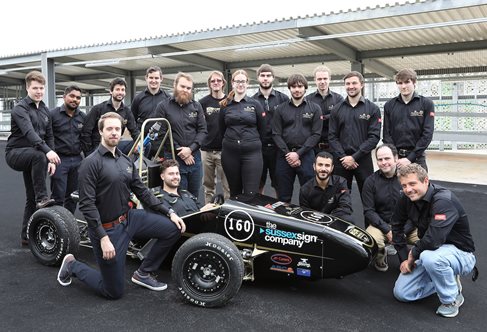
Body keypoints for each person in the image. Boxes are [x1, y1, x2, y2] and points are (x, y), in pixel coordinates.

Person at [56, 112, 185, 299]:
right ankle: (72, 265)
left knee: (173, 228)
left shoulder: (125, 160)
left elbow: (142, 191)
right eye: (109, 129)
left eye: (117, 129)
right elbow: (87, 205)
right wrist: (103, 238)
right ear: (101, 132)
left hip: (129, 219)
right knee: (113, 292)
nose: (114, 132)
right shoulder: (90, 163)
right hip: (107, 229)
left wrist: (169, 212)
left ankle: (143, 273)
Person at [391, 164, 476, 318]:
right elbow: (396, 225)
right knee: (402, 293)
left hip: (460, 253)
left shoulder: (443, 200)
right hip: (431, 251)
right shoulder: (406, 199)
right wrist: (404, 258)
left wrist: (413, 255)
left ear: (425, 181)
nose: (408, 189)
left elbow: (433, 240)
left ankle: (451, 299)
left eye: (412, 184)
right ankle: (445, 280)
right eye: (404, 185)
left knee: (430, 258)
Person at [5, 71, 60, 246]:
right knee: (38, 156)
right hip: (15, 153)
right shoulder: (20, 109)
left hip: (33, 155)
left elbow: (49, 136)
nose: (38, 91)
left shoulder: (44, 110)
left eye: (41, 88)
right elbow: (29, 133)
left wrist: (51, 157)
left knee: (30, 195)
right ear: (27, 88)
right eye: (35, 88)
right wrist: (47, 153)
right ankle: (42, 198)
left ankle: (26, 235)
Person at [362, 144, 419, 272]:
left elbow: (416, 210)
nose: (383, 163)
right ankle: (380, 258)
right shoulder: (370, 182)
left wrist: (402, 232)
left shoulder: (407, 180)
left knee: (427, 239)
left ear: (395, 158)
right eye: (380, 159)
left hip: (407, 226)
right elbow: (369, 211)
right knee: (371, 239)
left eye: (387, 158)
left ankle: (416, 261)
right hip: (381, 225)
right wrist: (388, 231)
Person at [153, 72, 207, 197]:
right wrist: (181, 152)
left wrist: (190, 149)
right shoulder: (163, 106)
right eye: (182, 86)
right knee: (176, 195)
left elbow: (203, 130)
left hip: (195, 158)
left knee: (194, 196)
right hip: (172, 158)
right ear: (175, 85)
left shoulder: (196, 106)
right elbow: (161, 134)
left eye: (188, 88)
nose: (185, 90)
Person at [328, 71, 381, 196]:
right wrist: (344, 157)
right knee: (339, 198)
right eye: (348, 83)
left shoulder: (373, 109)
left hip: (363, 160)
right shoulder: (337, 109)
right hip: (341, 161)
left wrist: (354, 157)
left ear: (362, 84)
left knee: (369, 198)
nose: (351, 86)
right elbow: (332, 136)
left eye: (354, 83)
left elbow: (374, 137)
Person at [272, 73, 322, 203]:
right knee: (283, 196)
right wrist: (289, 154)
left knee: (309, 195)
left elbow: (316, 134)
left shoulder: (315, 108)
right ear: (289, 88)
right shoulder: (280, 109)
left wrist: (298, 154)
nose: (297, 89)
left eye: (300, 86)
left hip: (306, 155)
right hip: (284, 157)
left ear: (305, 88)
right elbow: (276, 134)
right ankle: (284, 222)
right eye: (293, 87)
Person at [219, 69, 265, 197]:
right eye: (237, 81)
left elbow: (263, 128)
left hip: (252, 154)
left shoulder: (255, 104)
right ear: (232, 83)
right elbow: (221, 129)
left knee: (251, 193)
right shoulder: (225, 105)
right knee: (235, 193)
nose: (240, 84)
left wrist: (249, 141)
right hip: (230, 154)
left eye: (243, 81)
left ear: (247, 83)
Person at [383, 68, 435, 171]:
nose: (403, 86)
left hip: (417, 157)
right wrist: (395, 156)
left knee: (419, 186)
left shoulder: (426, 104)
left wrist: (410, 158)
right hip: (396, 159)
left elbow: (427, 134)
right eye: (400, 83)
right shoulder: (389, 105)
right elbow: (386, 134)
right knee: (395, 187)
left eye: (407, 82)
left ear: (414, 83)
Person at [252, 64, 289, 196]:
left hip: (278, 149)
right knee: (257, 184)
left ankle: (278, 214)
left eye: (268, 76)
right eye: (262, 75)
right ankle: (257, 213)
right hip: (258, 149)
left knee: (279, 184)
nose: (265, 78)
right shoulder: (252, 100)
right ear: (258, 78)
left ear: (273, 78)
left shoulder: (283, 99)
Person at [50, 85, 86, 214]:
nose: (75, 99)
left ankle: (68, 225)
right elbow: (48, 137)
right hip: (59, 159)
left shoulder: (82, 117)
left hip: (77, 160)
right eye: (72, 96)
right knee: (58, 196)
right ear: (64, 97)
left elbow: (85, 139)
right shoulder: (53, 115)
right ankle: (55, 224)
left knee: (72, 197)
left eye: (78, 98)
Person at [81, 77, 140, 156]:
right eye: (117, 89)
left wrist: (139, 143)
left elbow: (134, 131)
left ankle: (132, 166)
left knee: (144, 145)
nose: (120, 92)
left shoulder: (127, 111)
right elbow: (86, 132)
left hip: (116, 144)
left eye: (122, 90)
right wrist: (89, 153)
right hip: (98, 146)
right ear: (111, 91)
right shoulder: (98, 109)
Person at [198, 71, 230, 203]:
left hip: (225, 151)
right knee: (208, 187)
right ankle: (208, 213)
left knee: (227, 186)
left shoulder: (229, 101)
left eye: (218, 80)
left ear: (223, 83)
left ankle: (228, 213)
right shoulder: (202, 103)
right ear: (209, 84)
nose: (216, 83)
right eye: (213, 81)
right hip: (206, 151)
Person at [299, 151, 353, 222]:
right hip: (315, 223)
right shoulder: (305, 189)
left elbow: (346, 208)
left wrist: (327, 219)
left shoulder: (341, 182)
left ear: (332, 168)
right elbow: (305, 215)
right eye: (320, 165)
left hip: (336, 220)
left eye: (327, 165)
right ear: (314, 166)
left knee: (348, 219)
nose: (323, 169)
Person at [131, 66, 171, 157]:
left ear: (161, 79)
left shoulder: (168, 98)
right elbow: (132, 122)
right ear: (146, 78)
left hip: (163, 145)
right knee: (143, 170)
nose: (154, 80)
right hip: (143, 144)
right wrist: (137, 141)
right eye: (151, 78)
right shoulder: (138, 99)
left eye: (156, 78)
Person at [306, 65, 344, 154]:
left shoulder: (338, 99)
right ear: (315, 80)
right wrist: (330, 117)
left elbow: (341, 117)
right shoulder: (308, 100)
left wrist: (320, 118)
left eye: (325, 78)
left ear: (329, 79)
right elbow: (306, 121)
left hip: (334, 147)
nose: (322, 82)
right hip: (313, 147)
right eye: (319, 79)